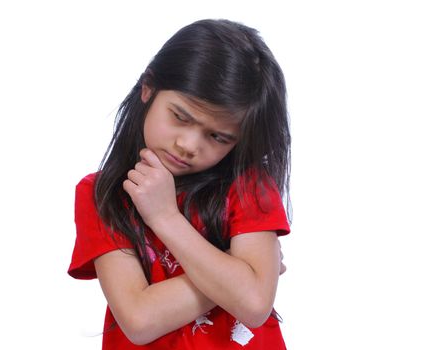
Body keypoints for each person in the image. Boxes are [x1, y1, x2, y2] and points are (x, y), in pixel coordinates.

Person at [68, 18, 291, 349]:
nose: (189, 145)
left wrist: (165, 218)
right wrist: (233, 274)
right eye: (181, 117)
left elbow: (255, 305)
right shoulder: (103, 194)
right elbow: (140, 320)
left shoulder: (248, 186)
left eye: (217, 136)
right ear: (148, 88)